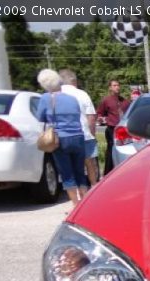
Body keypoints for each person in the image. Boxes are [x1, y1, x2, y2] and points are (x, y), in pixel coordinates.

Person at [36, 68, 87, 206]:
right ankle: (86, 204)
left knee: (67, 174)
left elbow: (40, 117)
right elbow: (77, 115)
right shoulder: (72, 99)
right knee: (80, 173)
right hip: (78, 136)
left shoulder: (45, 98)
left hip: (60, 139)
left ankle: (76, 206)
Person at [59, 69, 99, 186]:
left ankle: (74, 190)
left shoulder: (55, 95)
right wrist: (92, 134)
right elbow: (91, 117)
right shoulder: (82, 94)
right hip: (84, 134)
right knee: (89, 162)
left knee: (69, 164)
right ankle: (92, 186)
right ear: (74, 81)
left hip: (64, 136)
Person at [96, 79, 130, 175]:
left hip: (123, 129)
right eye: (114, 85)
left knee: (124, 149)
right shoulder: (106, 100)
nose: (117, 87)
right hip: (112, 128)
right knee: (111, 149)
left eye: (118, 85)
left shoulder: (124, 101)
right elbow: (99, 113)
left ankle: (123, 170)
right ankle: (108, 172)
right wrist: (103, 119)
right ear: (110, 88)